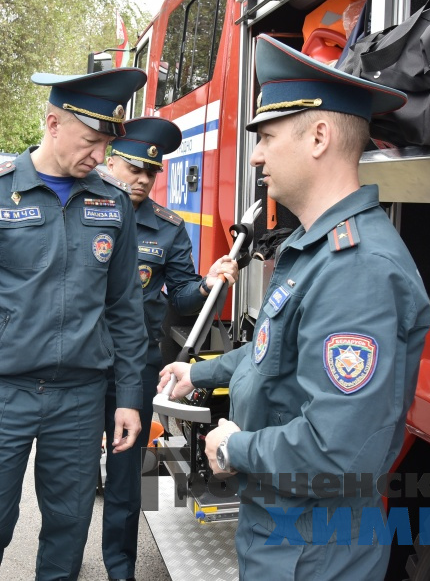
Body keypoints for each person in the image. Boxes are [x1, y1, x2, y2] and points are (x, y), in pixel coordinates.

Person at [159, 34, 430, 580]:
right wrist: (201, 371)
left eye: (267, 135)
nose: (255, 153)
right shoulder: (316, 248)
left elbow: (337, 451)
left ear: (320, 137)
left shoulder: (358, 268)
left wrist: (237, 448)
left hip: (311, 552)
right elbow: (271, 352)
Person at [0, 68, 150, 581]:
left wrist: (130, 399)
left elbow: (125, 311)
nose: (99, 156)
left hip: (80, 399)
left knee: (70, 528)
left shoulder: (112, 203)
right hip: (1, 396)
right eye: (90, 141)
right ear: (52, 123)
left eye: (105, 145)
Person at [101, 117, 238, 581]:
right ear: (110, 160)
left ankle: (120, 571)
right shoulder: (83, 211)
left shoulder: (167, 227)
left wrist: (208, 283)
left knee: (124, 477)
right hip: (75, 367)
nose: (141, 179)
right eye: (133, 168)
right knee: (69, 478)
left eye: (150, 173)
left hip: (134, 368)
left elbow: (180, 295)